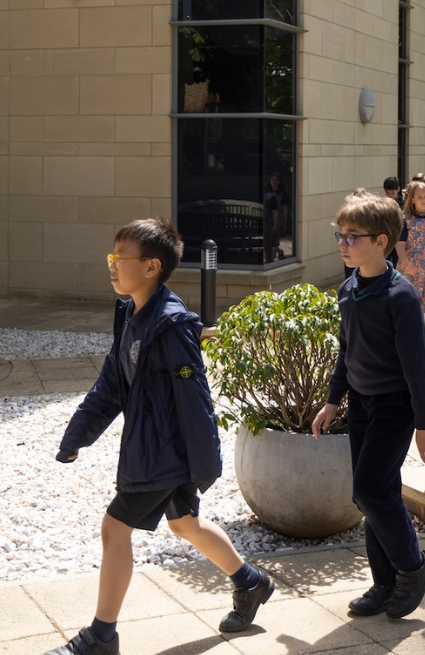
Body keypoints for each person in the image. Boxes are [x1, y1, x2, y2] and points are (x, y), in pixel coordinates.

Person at [47, 219, 273, 655]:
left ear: (152, 267)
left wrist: (202, 461)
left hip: (164, 453)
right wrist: (79, 433)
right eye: (111, 257)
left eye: (121, 259)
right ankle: (251, 583)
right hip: (158, 450)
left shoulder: (171, 325)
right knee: (185, 524)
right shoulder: (131, 314)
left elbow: (195, 398)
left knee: (114, 529)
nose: (112, 266)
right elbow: (112, 383)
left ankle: (101, 636)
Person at [313, 190, 425, 619]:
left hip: (394, 407)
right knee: (374, 495)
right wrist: (333, 401)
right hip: (362, 406)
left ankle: (414, 568)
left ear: (381, 241)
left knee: (368, 490)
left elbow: (418, 367)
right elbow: (347, 351)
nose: (344, 243)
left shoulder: (400, 295)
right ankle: (384, 583)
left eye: (353, 236)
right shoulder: (349, 289)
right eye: (341, 235)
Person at [395, 179, 425, 318]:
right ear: (412, 200)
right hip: (411, 268)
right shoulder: (406, 220)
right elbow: (399, 244)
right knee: (410, 299)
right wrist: (405, 262)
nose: (424, 200)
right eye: (420, 197)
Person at [262, 172, 290, 262]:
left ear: (280, 182)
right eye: (272, 180)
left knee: (274, 238)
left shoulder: (282, 194)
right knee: (271, 240)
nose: (273, 182)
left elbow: (285, 208)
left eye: (276, 180)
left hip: (278, 219)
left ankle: (272, 257)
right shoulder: (267, 194)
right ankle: (278, 252)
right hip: (268, 219)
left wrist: (284, 221)